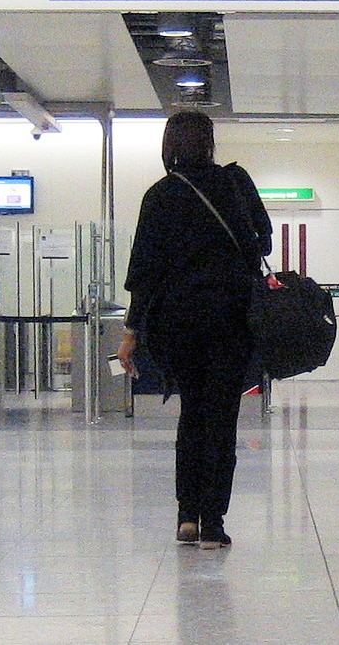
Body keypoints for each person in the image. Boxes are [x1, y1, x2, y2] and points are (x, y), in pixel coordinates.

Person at [116, 111, 272, 550]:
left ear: (168, 145)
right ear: (210, 143)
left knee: (192, 414)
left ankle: (187, 516)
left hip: (178, 324)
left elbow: (144, 273)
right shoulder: (235, 184)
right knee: (221, 418)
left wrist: (131, 333)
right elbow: (263, 241)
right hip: (231, 320)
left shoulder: (159, 195)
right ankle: (213, 524)